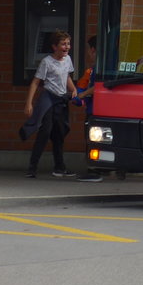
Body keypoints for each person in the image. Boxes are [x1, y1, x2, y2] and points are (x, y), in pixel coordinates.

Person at [19, 30, 79, 178]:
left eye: (68, 44)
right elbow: (35, 82)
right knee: (45, 131)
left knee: (59, 133)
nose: (67, 47)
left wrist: (73, 89)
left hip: (61, 99)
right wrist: (29, 103)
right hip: (48, 98)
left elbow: (67, 77)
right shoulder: (47, 62)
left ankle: (60, 167)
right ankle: (32, 168)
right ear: (54, 46)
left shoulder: (68, 60)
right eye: (63, 44)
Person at [73, 35, 103, 183]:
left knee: (92, 139)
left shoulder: (98, 68)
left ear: (92, 50)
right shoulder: (100, 66)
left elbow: (96, 87)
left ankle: (93, 170)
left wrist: (82, 95)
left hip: (94, 110)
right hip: (98, 108)